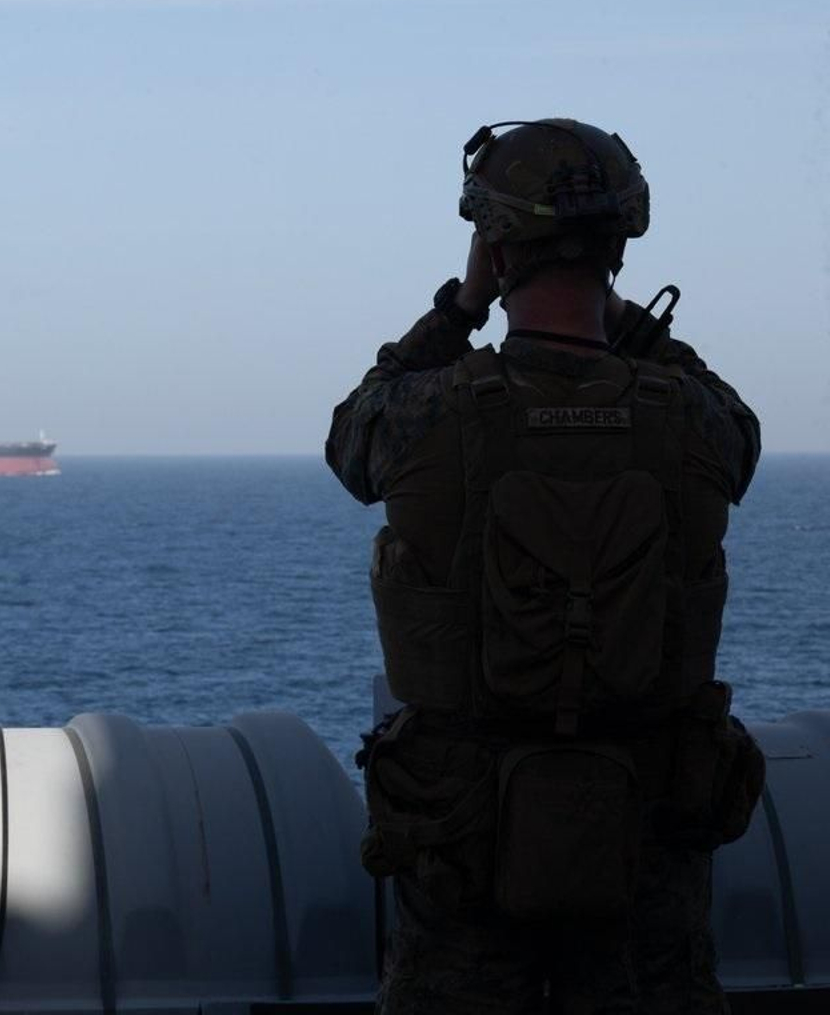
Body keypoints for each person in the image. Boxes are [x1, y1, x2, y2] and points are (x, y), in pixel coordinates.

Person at [326, 119, 765, 1013]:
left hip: (461, 836)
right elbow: (743, 440)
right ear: (618, 249)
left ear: (495, 247)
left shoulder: (427, 413)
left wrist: (459, 308)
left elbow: (350, 440)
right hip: (648, 825)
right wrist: (627, 326)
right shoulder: (692, 419)